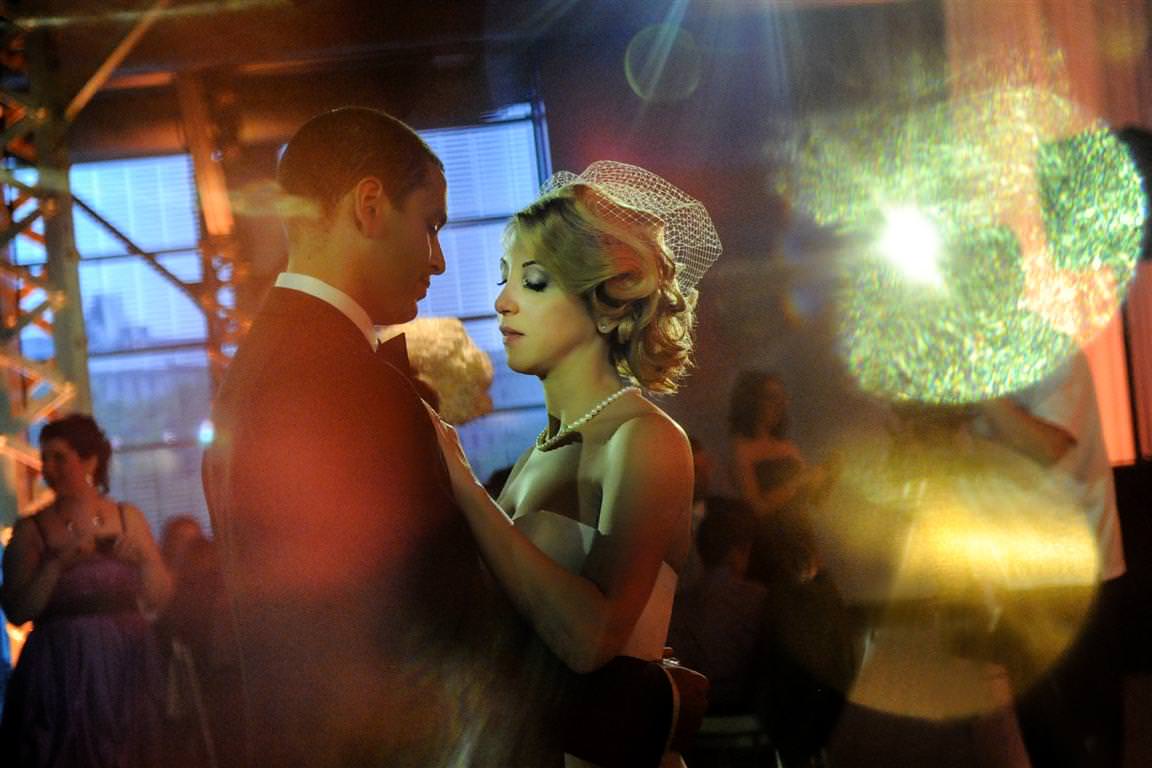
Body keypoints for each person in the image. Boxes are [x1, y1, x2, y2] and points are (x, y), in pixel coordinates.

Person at [201, 107, 553, 768]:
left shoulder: (263, 364)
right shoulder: (339, 379)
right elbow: (419, 626)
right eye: (431, 225)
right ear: (369, 205)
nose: (441, 258)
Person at [430, 160, 722, 767]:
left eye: (533, 282)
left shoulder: (644, 439)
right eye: (505, 278)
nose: (503, 302)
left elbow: (593, 638)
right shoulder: (537, 453)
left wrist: (463, 486)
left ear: (607, 308)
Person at [975, 350, 1128, 767]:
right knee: (1043, 735)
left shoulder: (1052, 352)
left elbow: (1047, 447)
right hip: (1018, 574)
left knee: (1083, 736)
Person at [0, 413, 172, 768]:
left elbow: (159, 596)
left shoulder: (128, 517)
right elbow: (17, 610)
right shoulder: (32, 530)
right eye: (44, 458)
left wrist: (144, 562)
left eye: (59, 457)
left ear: (89, 460)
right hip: (63, 667)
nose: (48, 468)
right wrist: (55, 566)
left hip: (128, 658)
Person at [667, 496, 767, 715]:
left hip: (692, 711)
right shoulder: (757, 598)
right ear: (736, 552)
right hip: (739, 711)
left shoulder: (679, 603)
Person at [727, 370, 829, 585]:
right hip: (772, 544)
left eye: (783, 398)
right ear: (752, 401)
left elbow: (812, 500)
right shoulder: (741, 449)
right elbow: (756, 508)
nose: (781, 404)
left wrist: (824, 477)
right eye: (772, 397)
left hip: (801, 538)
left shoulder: (787, 447)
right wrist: (796, 484)